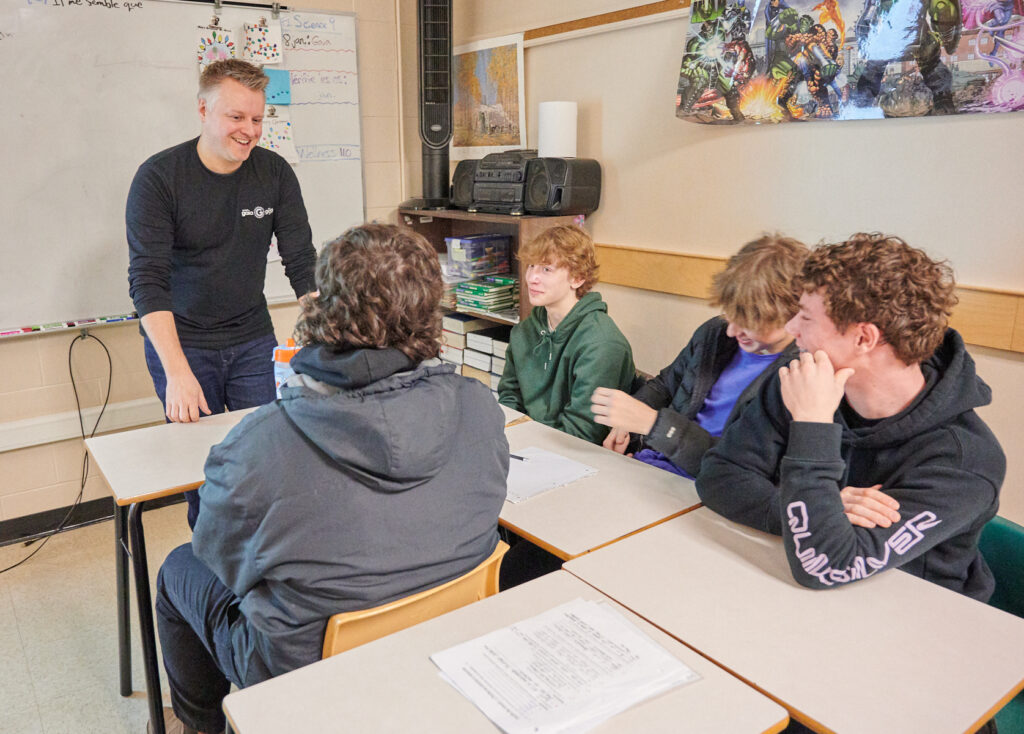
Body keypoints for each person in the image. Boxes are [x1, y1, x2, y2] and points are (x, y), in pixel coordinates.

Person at [153, 224, 509, 734]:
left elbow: (221, 560)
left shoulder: (256, 446)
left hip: (302, 671)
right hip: (443, 633)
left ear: (321, 306)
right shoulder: (480, 408)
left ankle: (200, 724)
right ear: (432, 310)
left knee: (178, 569)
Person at [697, 233, 1004, 601]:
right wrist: (819, 510)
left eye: (805, 317)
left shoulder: (965, 460)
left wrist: (812, 426)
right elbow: (718, 475)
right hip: (797, 592)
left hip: (914, 619)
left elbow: (826, 564)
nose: (791, 327)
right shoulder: (801, 377)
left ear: (864, 338)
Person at [127, 58, 316, 525]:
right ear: (203, 111)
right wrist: (177, 372)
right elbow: (147, 282)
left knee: (267, 457)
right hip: (183, 346)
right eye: (236, 117)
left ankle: (266, 565)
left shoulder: (274, 173)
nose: (249, 130)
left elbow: (301, 260)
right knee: (207, 474)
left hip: (252, 339)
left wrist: (322, 332)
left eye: (256, 119)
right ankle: (214, 566)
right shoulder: (159, 178)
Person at [591, 235, 807, 478]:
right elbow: (665, 385)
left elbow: (743, 470)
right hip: (653, 468)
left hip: (708, 488)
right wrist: (625, 424)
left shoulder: (799, 376)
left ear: (792, 314)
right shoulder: (715, 334)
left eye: (748, 323)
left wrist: (656, 425)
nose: (731, 330)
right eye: (730, 314)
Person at [498, 224, 635, 444]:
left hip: (580, 456)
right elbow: (509, 397)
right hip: (527, 446)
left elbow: (583, 433)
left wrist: (526, 439)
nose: (532, 277)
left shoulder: (601, 343)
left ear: (577, 278)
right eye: (531, 266)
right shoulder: (524, 331)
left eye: (546, 269)